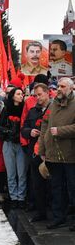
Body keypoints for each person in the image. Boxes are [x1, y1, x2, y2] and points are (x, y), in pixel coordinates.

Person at [38, 77, 75, 229]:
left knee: (73, 188)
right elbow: (44, 126)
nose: (58, 88)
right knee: (56, 187)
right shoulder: (53, 104)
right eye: (58, 86)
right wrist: (42, 149)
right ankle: (58, 217)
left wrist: (60, 131)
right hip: (53, 154)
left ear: (71, 89)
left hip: (70, 154)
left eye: (62, 86)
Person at [21, 83, 51, 222]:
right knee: (37, 184)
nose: (37, 98)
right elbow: (24, 128)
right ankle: (41, 212)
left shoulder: (54, 108)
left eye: (39, 94)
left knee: (53, 184)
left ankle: (54, 212)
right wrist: (29, 132)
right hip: (35, 151)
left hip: (50, 152)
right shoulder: (33, 111)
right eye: (35, 95)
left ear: (47, 93)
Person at [0, 87, 27, 207]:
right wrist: (8, 132)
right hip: (8, 143)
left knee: (22, 172)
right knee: (11, 173)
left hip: (21, 143)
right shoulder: (7, 108)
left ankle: (22, 197)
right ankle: (13, 197)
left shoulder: (25, 109)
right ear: (13, 96)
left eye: (22, 94)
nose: (21, 96)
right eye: (18, 94)